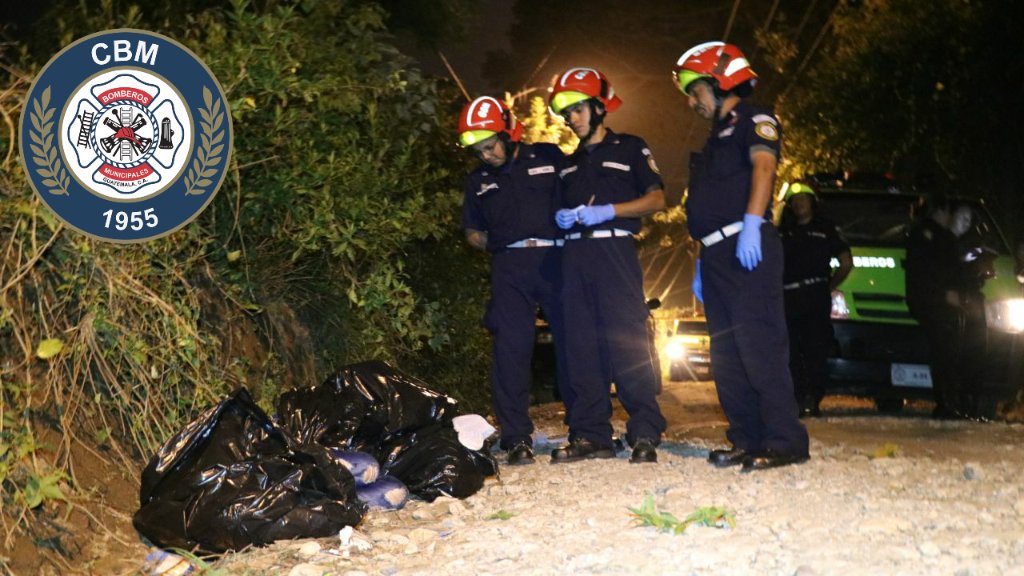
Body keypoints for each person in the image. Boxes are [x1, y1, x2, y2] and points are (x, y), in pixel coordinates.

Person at [674, 42, 809, 471]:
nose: (692, 101)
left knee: (759, 345)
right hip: (715, 254)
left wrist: (752, 223)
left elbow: (765, 168)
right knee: (727, 353)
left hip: (746, 245)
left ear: (720, 80)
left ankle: (785, 440)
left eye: (696, 90)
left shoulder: (756, 118)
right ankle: (747, 439)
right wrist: (701, 258)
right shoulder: (714, 139)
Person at [548, 67, 667, 464]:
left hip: (615, 253)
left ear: (600, 107)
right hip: (575, 257)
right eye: (567, 113)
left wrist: (609, 211)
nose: (572, 119)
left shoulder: (630, 148)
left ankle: (645, 431)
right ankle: (591, 434)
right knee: (581, 346)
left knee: (627, 341)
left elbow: (656, 200)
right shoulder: (567, 164)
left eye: (578, 109)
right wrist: (562, 219)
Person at [458, 95, 572, 465]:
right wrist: (498, 240)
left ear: (508, 133)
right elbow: (472, 232)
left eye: (489, 146)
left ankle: (587, 429)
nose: (485, 155)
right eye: (478, 151)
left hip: (556, 258)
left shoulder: (548, 156)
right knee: (511, 350)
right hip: (509, 265)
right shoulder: (478, 181)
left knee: (575, 341)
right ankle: (515, 436)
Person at [778, 180, 853, 417]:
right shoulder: (782, 232)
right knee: (791, 351)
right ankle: (796, 399)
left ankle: (813, 399)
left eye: (803, 199)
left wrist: (827, 286)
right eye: (794, 201)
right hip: (788, 297)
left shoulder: (826, 229)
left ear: (812, 202)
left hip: (815, 297)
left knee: (816, 349)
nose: (799, 204)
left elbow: (846, 262)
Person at [905, 195, 983, 419]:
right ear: (942, 212)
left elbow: (954, 270)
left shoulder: (942, 237)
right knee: (944, 354)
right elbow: (927, 272)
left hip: (941, 304)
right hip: (935, 304)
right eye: (951, 213)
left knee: (950, 352)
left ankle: (951, 402)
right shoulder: (929, 235)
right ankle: (946, 403)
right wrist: (944, 294)